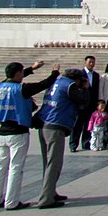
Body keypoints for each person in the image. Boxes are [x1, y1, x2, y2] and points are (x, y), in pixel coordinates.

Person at [0, 60, 59, 210]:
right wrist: (54, 73)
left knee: (0, 166)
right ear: (17, 74)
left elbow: (11, 78)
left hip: (2, 132)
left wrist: (31, 69)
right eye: (21, 73)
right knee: (16, 167)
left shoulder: (0, 86)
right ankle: (12, 202)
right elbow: (43, 84)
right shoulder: (22, 89)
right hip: (18, 132)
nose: (23, 75)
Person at [36, 68, 90, 208]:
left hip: (44, 124)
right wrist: (84, 88)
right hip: (55, 127)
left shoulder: (57, 82)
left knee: (48, 163)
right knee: (54, 164)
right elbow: (84, 100)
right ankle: (46, 199)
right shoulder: (69, 85)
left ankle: (50, 192)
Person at [70, 55, 99, 152]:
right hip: (81, 104)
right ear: (85, 62)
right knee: (77, 125)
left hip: (91, 104)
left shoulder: (96, 75)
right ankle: (73, 144)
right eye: (90, 62)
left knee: (88, 125)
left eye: (93, 62)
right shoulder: (79, 75)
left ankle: (86, 143)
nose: (91, 64)